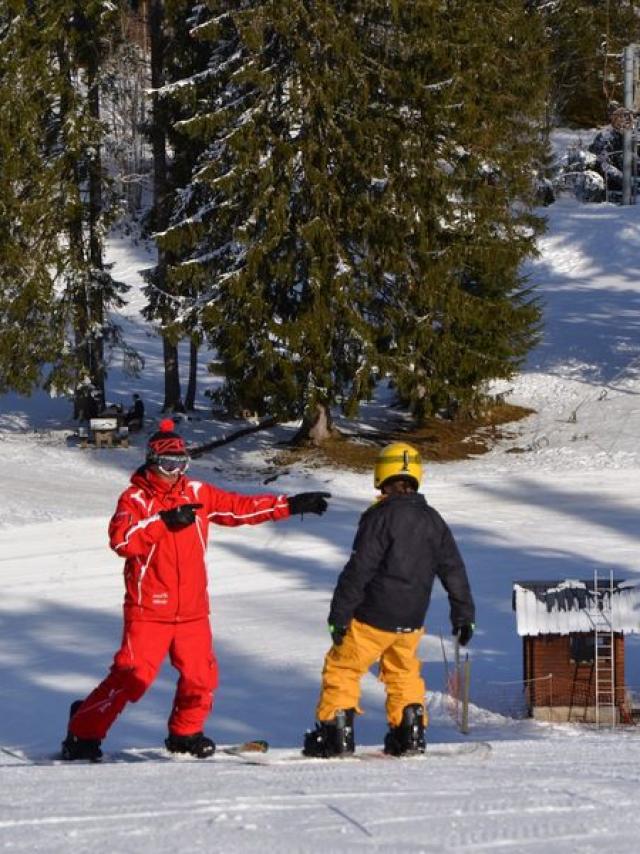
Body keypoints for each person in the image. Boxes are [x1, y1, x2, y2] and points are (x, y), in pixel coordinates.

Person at [61, 418, 330, 761]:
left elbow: (238, 508)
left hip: (192, 610)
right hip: (150, 611)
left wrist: (290, 505)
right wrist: (163, 523)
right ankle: (82, 732)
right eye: (169, 464)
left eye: (182, 464)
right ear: (152, 461)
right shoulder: (136, 499)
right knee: (132, 678)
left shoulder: (197, 493)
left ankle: (185, 734)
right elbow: (122, 541)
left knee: (201, 677)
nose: (175, 472)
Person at [302, 442, 475, 758]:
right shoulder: (433, 520)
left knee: (342, 667)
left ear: (381, 475)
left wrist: (339, 615)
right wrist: (463, 615)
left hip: (372, 617)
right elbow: (454, 569)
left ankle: (335, 735)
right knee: (404, 672)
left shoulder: (379, 517)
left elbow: (359, 568)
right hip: (411, 621)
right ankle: (409, 733)